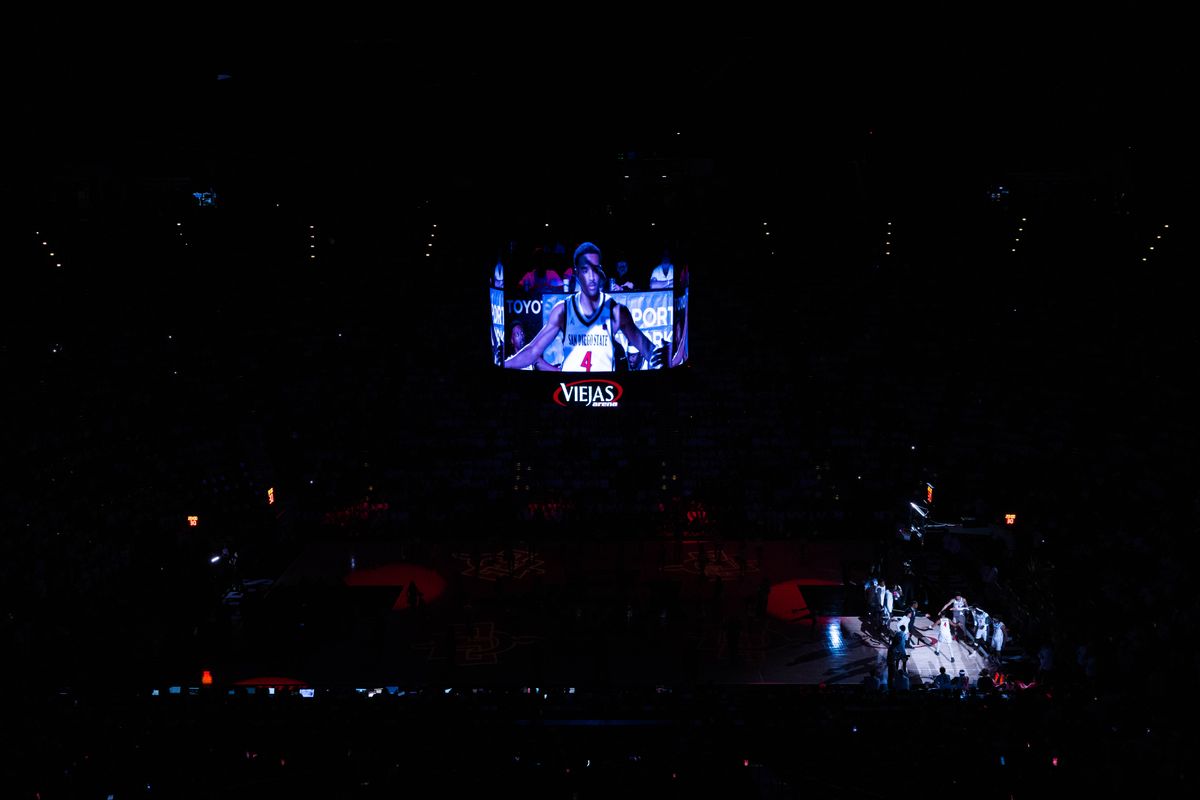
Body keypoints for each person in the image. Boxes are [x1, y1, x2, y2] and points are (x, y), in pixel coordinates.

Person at [504, 242, 664, 372]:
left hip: (604, 395)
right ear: (577, 274)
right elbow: (533, 351)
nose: (592, 276)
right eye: (585, 270)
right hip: (570, 396)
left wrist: (665, 356)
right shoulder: (563, 310)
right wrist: (504, 364)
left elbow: (648, 349)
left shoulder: (616, 311)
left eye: (595, 269)